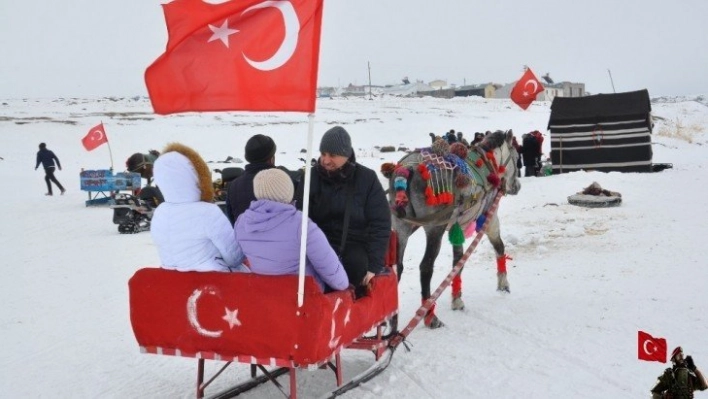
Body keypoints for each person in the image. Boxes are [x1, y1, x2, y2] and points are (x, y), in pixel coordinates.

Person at [295, 126, 391, 297]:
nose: (325, 160)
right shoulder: (310, 177)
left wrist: (373, 266)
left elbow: (380, 223)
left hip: (353, 247)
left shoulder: (366, 179)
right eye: (323, 154)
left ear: (346, 155)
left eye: (332, 155)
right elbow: (300, 218)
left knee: (356, 268)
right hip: (317, 245)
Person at [234, 168, 349, 292]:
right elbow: (336, 278)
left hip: (265, 295)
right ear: (288, 191)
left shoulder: (242, 222)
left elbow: (237, 258)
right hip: (303, 298)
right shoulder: (301, 225)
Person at [151, 142, 246, 272]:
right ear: (197, 177)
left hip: (172, 280)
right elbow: (234, 258)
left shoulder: (160, 212)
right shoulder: (207, 212)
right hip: (210, 281)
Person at [225, 134, 277, 226]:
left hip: (243, 239)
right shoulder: (280, 182)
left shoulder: (233, 186)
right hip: (277, 239)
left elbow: (232, 222)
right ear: (271, 159)